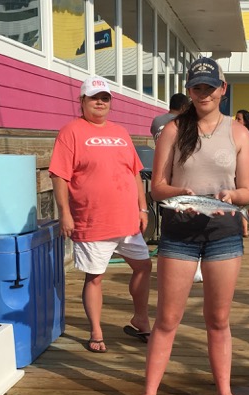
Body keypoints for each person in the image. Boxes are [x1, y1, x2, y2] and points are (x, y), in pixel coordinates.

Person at [124, 57, 249, 395]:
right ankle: (149, 393)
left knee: (218, 318)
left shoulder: (239, 133)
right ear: (188, 91)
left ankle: (224, 393)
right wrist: (178, 192)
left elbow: (247, 189)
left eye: (210, 87)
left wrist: (233, 198)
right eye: (197, 87)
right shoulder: (172, 129)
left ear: (222, 89)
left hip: (223, 234)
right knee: (167, 319)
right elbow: (159, 188)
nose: (204, 93)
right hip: (179, 232)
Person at [49, 76, 152, 354]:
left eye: (105, 98)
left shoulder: (120, 132)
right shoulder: (70, 131)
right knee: (95, 276)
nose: (100, 102)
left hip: (127, 219)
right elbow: (59, 176)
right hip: (92, 219)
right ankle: (96, 330)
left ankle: (140, 317)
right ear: (82, 101)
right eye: (94, 97)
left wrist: (142, 208)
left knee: (143, 266)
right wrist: (65, 213)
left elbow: (134, 173)